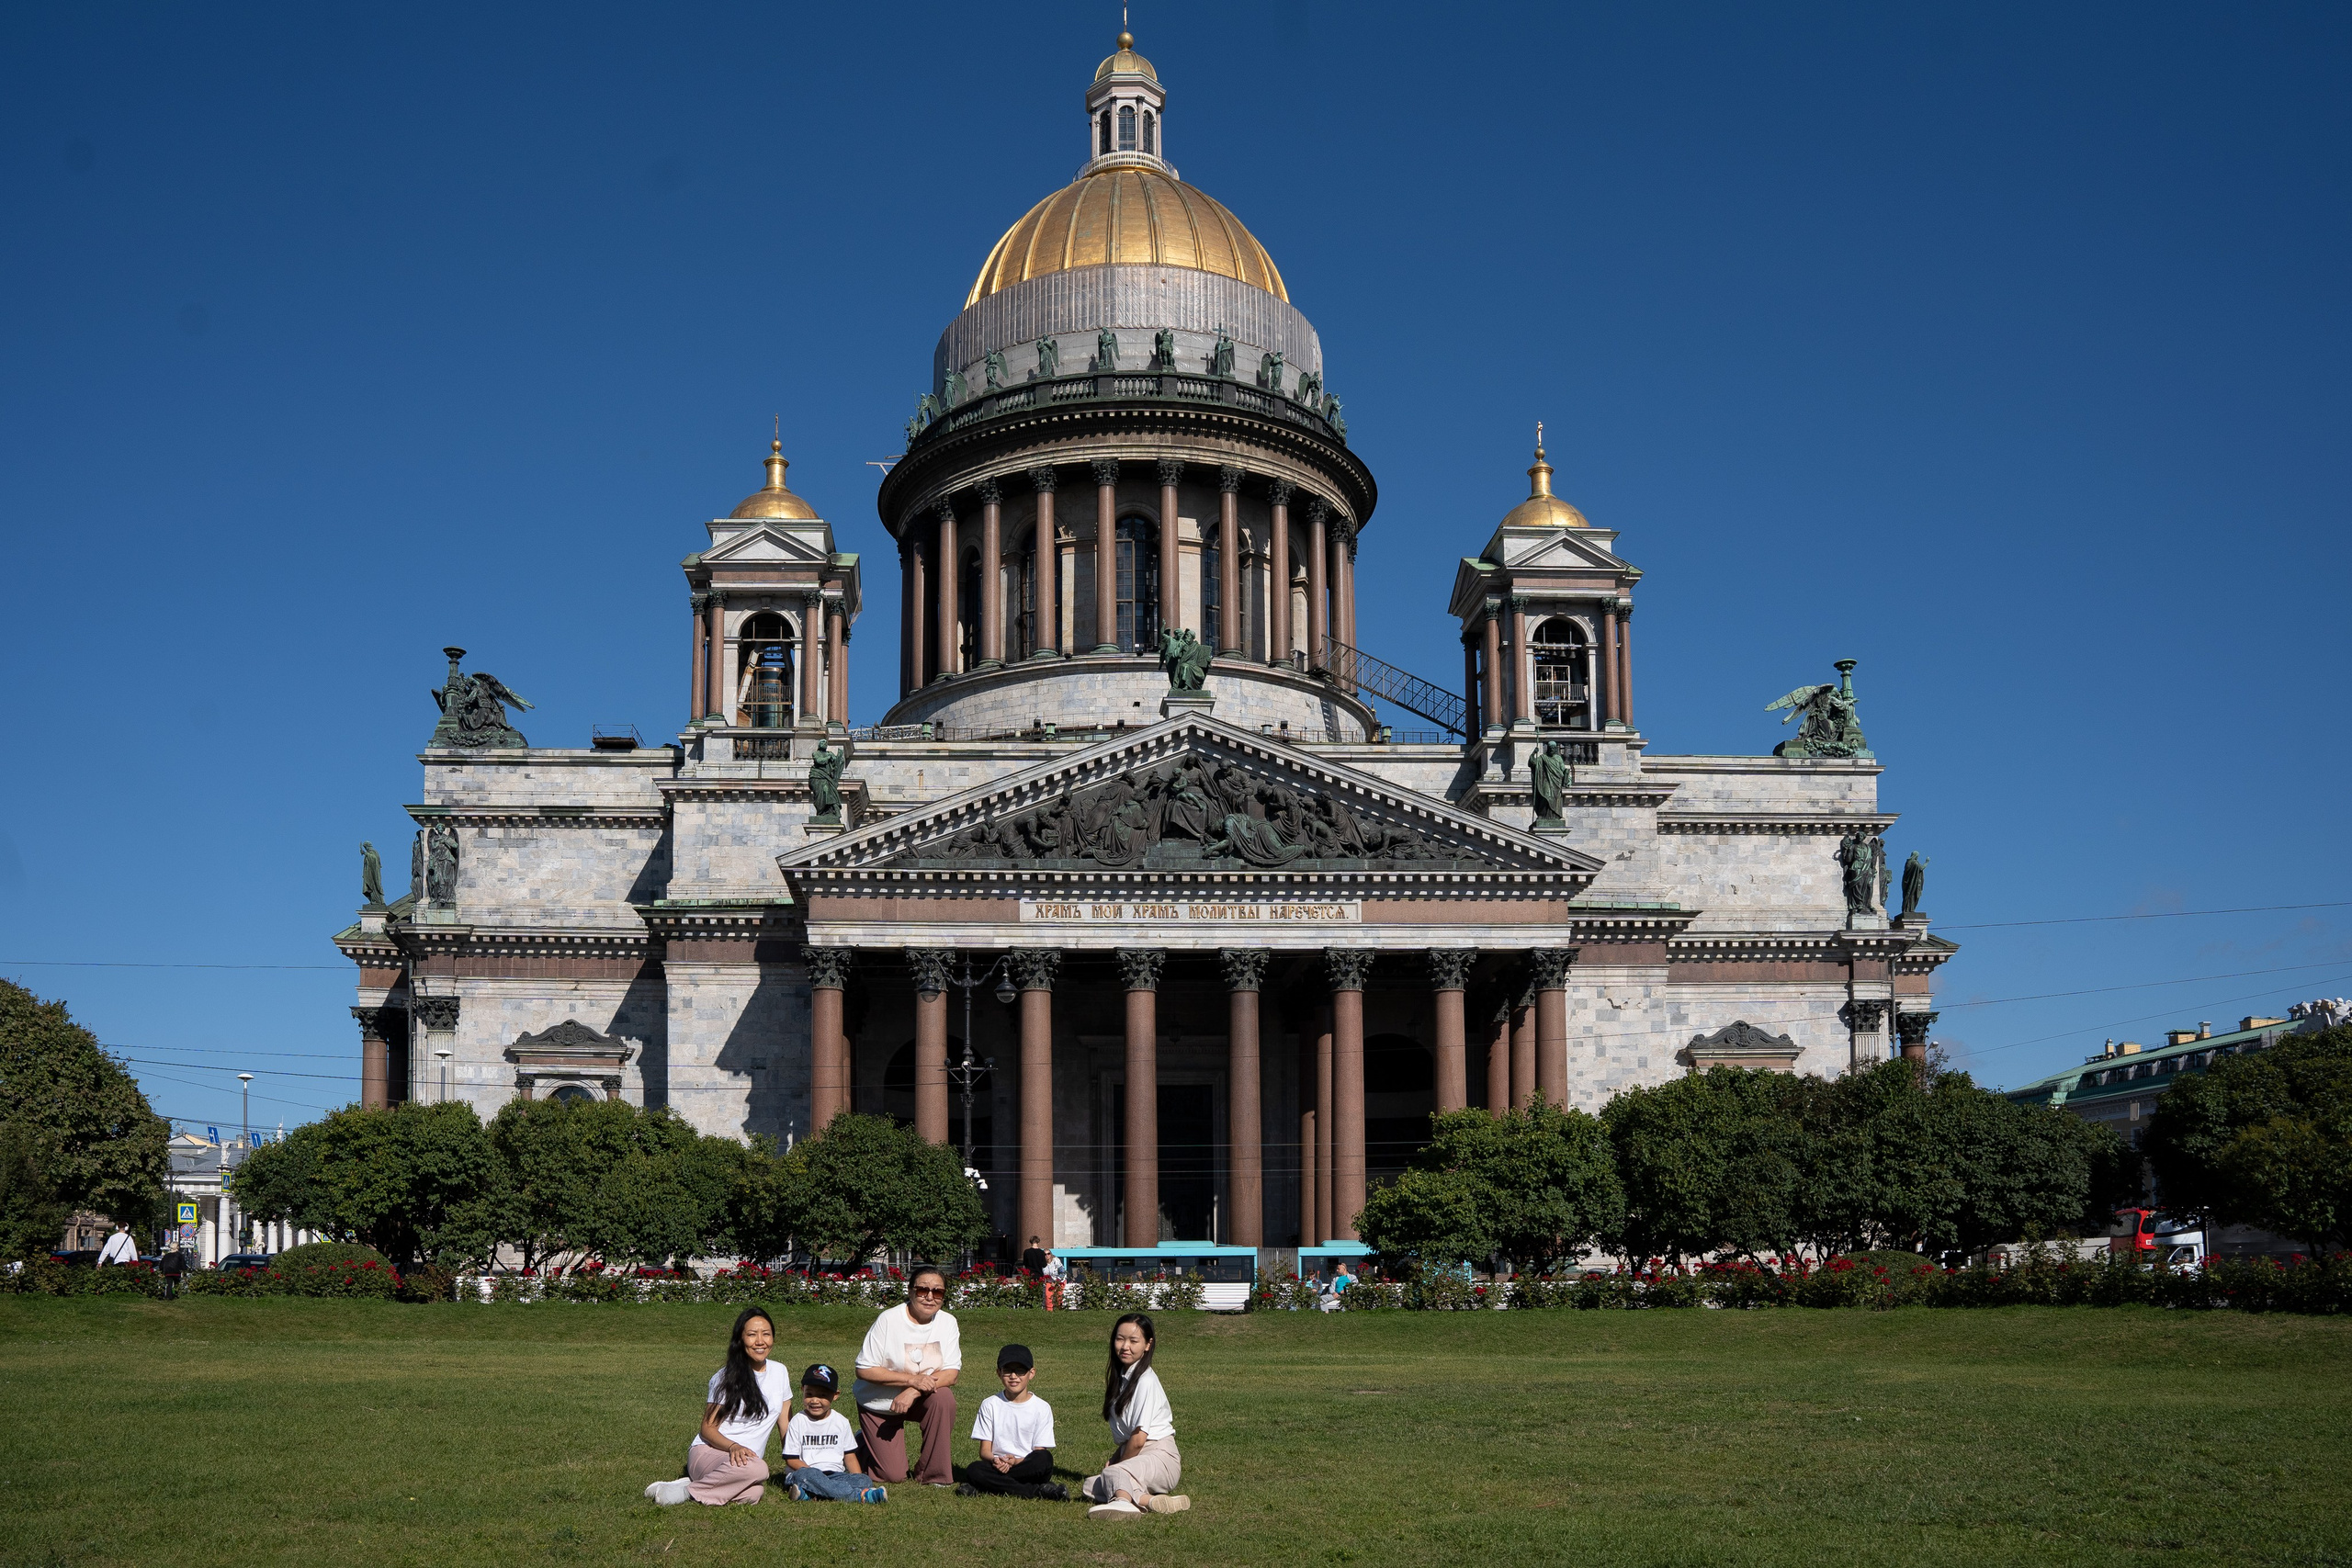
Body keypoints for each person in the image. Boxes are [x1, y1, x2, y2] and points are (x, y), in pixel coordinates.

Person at [645, 1307, 788, 1506]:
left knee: (754, 1493)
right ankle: (688, 1492)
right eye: (752, 1335)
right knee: (759, 1470)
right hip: (710, 1452)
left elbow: (785, 1423)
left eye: (766, 1334)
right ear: (740, 1339)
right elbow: (708, 1428)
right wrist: (733, 1446)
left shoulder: (780, 1372)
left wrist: (793, 1464)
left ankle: (692, 1484)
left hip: (743, 1464)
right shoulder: (726, 1377)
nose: (760, 1341)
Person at [852, 1264, 963, 1487]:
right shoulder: (888, 1320)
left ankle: (934, 1475)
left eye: (938, 1292)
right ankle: (862, 1443)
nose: (930, 1297)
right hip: (880, 1403)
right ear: (910, 1291)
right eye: (923, 1290)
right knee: (892, 1476)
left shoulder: (948, 1322)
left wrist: (913, 1390)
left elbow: (951, 1373)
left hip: (919, 1398)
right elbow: (864, 1368)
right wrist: (911, 1380)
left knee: (944, 1399)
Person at [1083, 1314, 1187, 1518]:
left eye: (1133, 1341)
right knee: (1089, 1485)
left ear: (1148, 1345)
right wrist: (1116, 1456)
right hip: (1138, 1455)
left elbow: (1139, 1440)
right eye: (1120, 1339)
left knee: (1113, 1474)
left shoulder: (1145, 1380)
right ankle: (1151, 1501)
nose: (1125, 1346)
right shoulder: (1122, 1378)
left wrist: (1119, 1463)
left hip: (1160, 1457)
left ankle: (1123, 1502)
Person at [956, 1344, 1066, 1500]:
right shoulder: (990, 1404)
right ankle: (1033, 1491)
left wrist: (1015, 1462)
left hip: (1026, 1465)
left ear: (1031, 1373)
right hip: (997, 1465)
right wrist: (995, 1459)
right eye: (1007, 1370)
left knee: (1045, 1459)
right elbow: (984, 1451)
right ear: (998, 1373)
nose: (1013, 1376)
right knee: (974, 1469)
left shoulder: (1042, 1407)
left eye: (1020, 1370)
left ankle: (984, 1485)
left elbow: (1038, 1451)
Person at [781, 1364, 885, 1503]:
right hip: (805, 1472)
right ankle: (859, 1496)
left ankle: (809, 1494)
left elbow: (849, 1456)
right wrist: (816, 1474)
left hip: (835, 1475)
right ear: (802, 1390)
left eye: (823, 1395)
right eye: (809, 1394)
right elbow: (791, 1459)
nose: (815, 1400)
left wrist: (856, 1476)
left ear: (835, 1395)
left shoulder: (841, 1422)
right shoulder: (798, 1421)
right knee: (809, 1476)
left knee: (863, 1479)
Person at [1043, 1248, 1067, 1312]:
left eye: (1048, 1254)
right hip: (1050, 1281)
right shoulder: (1043, 1264)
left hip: (1060, 1280)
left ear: (1051, 1254)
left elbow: (1062, 1272)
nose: (1047, 1255)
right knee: (1048, 1295)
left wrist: (1056, 1282)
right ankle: (1049, 1311)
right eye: (1045, 1254)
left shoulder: (1056, 1261)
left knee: (1058, 1295)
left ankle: (1059, 1310)